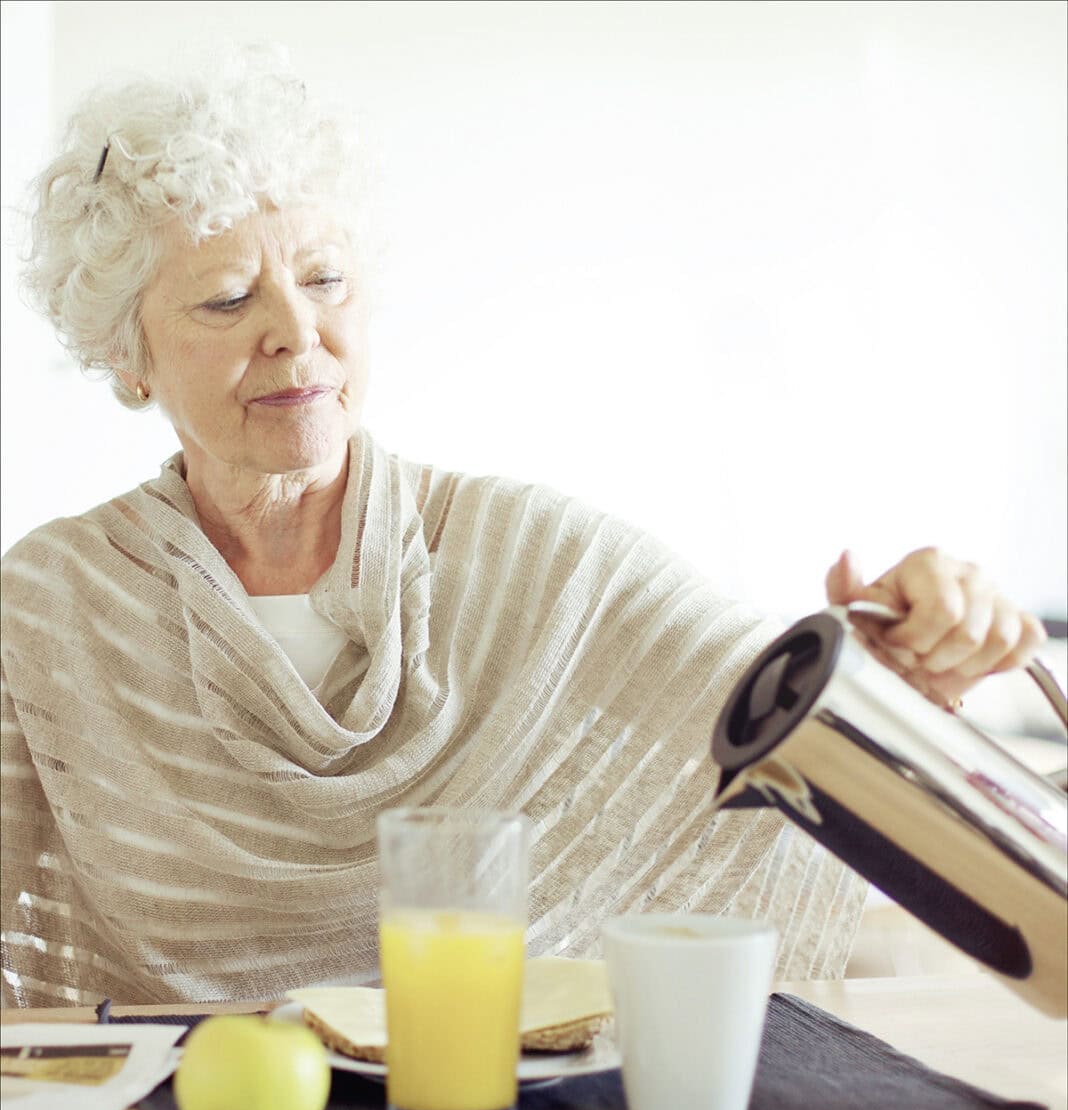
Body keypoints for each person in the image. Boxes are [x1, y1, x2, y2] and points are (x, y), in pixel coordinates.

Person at [0, 51, 1045, 1010]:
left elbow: (785, 704)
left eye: (324, 280)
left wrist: (912, 650)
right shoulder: (50, 603)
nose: (297, 333)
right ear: (125, 355)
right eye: (228, 299)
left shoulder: (530, 555)